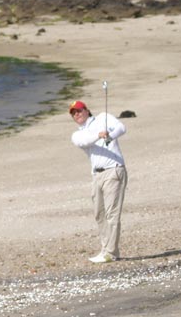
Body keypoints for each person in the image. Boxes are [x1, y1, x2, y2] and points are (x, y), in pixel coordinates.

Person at [69, 100, 128, 263]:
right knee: (99, 213)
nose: (77, 115)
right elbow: (85, 141)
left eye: (79, 111)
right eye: (74, 113)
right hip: (97, 175)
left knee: (112, 214)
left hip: (114, 170)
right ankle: (105, 249)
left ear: (87, 111)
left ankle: (111, 252)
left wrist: (110, 135)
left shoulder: (103, 117)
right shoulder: (78, 134)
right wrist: (99, 135)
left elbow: (121, 128)